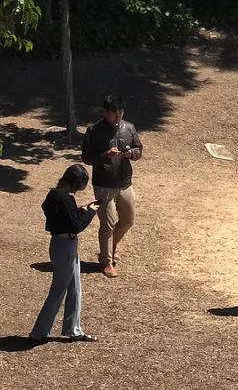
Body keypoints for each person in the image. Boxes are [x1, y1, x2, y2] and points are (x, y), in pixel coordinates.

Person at [30, 164, 101, 343]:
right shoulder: (64, 199)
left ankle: (73, 329)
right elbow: (76, 226)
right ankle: (39, 332)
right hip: (65, 246)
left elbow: (67, 218)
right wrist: (91, 213)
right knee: (58, 290)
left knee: (75, 287)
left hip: (62, 244)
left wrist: (81, 210)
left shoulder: (54, 194)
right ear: (77, 184)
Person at [81, 94, 142, 278]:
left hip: (124, 183)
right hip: (104, 184)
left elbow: (139, 148)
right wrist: (106, 155)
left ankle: (111, 246)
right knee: (107, 222)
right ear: (106, 112)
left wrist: (130, 154)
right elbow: (87, 157)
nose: (118, 116)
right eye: (114, 113)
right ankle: (107, 261)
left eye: (120, 112)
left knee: (128, 219)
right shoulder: (94, 130)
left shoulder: (129, 128)